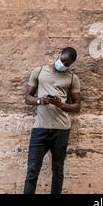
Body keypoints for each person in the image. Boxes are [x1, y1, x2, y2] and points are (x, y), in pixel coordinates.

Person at [23, 47, 81, 194]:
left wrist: (61, 104)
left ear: (71, 64)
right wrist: (40, 101)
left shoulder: (73, 78)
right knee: (32, 171)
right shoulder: (39, 72)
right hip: (40, 129)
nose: (63, 64)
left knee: (58, 170)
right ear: (58, 55)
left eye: (67, 64)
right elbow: (27, 98)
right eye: (63, 60)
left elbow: (77, 106)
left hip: (61, 130)